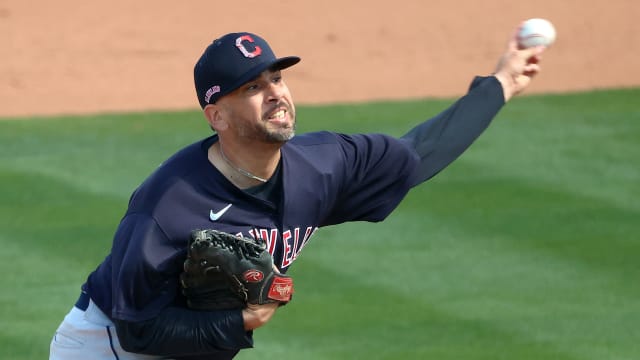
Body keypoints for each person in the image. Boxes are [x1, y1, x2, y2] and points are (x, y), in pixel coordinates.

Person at [49, 27, 545, 359]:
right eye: (251, 88)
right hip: (108, 345)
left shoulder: (323, 165)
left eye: (277, 77)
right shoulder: (166, 208)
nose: (276, 94)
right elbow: (138, 326)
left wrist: (499, 84)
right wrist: (243, 319)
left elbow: (419, 153)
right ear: (216, 115)